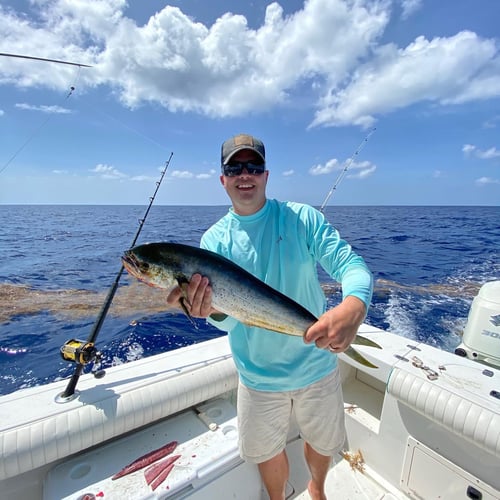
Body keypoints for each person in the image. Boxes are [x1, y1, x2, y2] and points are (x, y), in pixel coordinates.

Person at [167, 133, 373, 500]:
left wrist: (354, 305)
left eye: (253, 166)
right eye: (235, 167)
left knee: (322, 443)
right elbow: (230, 318)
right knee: (267, 451)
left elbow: (350, 265)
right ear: (223, 179)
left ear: (266, 174)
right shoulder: (214, 242)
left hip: (318, 364)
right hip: (258, 376)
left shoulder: (302, 218)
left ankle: (317, 489)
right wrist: (208, 310)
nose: (245, 174)